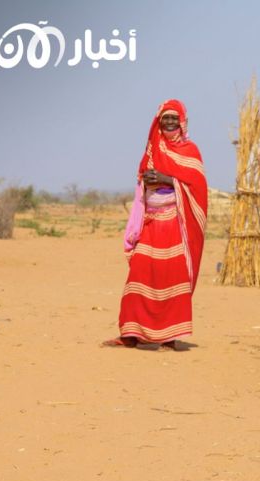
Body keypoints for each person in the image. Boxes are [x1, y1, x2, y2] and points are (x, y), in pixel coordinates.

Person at [103, 99, 208, 350]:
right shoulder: (153, 148)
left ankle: (169, 338)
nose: (169, 122)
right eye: (165, 118)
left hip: (174, 223)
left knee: (172, 276)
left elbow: (198, 186)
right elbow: (142, 177)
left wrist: (167, 179)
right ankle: (130, 334)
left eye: (174, 118)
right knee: (139, 274)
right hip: (150, 222)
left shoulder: (190, 150)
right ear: (158, 122)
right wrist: (147, 181)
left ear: (182, 122)